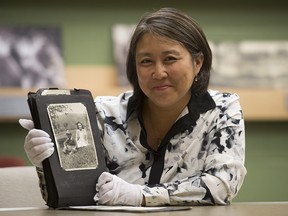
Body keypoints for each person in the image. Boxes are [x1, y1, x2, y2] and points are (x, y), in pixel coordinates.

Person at [19, 7, 247, 207]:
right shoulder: (102, 114)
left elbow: (222, 184)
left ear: (198, 63)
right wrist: (48, 166)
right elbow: (71, 198)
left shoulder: (222, 109)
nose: (158, 72)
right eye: (146, 61)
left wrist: (142, 196)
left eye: (170, 59)